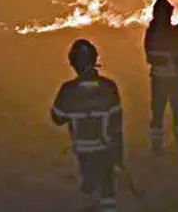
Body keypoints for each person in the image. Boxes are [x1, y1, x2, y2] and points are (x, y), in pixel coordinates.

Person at [51, 39, 124, 212]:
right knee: (107, 186)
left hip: (83, 148)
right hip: (106, 147)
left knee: (89, 185)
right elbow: (116, 125)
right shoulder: (109, 86)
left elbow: (57, 118)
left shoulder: (68, 90)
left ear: (74, 63)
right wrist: (119, 155)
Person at [145, 0, 178, 154]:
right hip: (174, 80)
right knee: (177, 113)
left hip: (158, 80)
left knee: (158, 114)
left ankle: (157, 147)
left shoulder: (151, 33)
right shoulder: (173, 34)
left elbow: (150, 56)